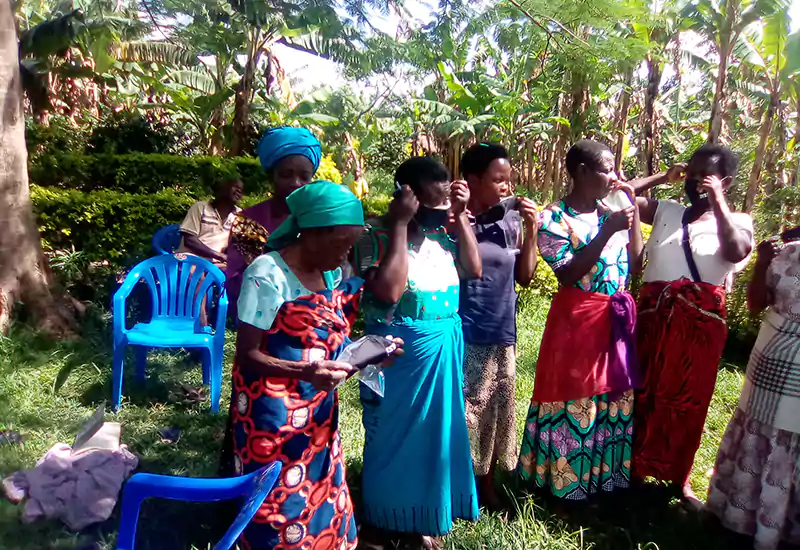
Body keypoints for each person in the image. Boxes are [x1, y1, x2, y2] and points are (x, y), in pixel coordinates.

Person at [229, 180, 390, 550]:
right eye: (341, 244)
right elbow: (247, 355)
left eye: (351, 245)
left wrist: (372, 352)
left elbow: (327, 339)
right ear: (311, 233)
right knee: (276, 494)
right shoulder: (266, 274)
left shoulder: (329, 273)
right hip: (271, 415)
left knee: (319, 482)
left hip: (317, 410)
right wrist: (305, 372)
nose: (345, 254)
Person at [352, 156, 482, 549]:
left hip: (440, 351)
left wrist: (460, 217)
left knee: (433, 436)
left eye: (444, 203)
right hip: (392, 356)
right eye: (431, 204)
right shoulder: (373, 235)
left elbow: (473, 269)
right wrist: (399, 225)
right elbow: (389, 292)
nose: (438, 212)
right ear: (405, 196)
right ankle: (381, 521)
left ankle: (421, 516)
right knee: (389, 437)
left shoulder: (442, 234)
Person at [517, 139, 643, 501]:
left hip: (614, 323)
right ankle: (565, 486)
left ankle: (602, 479)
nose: (614, 176)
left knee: (610, 399)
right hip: (578, 323)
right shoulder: (553, 219)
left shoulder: (611, 211)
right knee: (575, 398)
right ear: (583, 172)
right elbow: (569, 274)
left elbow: (636, 264)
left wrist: (631, 212)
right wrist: (608, 230)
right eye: (606, 169)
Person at [629, 143, 753, 502]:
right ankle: (634, 468)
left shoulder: (738, 222)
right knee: (643, 391)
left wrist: (717, 201)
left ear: (725, 181)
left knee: (688, 399)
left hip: (698, 328)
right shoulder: (667, 211)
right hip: (654, 319)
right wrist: (662, 176)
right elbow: (619, 194)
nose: (696, 182)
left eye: (706, 176)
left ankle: (677, 477)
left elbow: (736, 252)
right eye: (692, 174)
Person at [706, 230, 800, 550]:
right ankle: (738, 516)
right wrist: (761, 263)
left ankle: (782, 528)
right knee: (757, 431)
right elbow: (755, 305)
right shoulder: (787, 252)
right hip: (769, 359)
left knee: (792, 435)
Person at [458, 143, 538, 509]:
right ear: (473, 180)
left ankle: (485, 485)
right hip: (466, 331)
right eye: (498, 179)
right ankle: (458, 486)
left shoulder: (510, 221)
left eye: (509, 179)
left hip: (503, 331)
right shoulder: (455, 222)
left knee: (496, 412)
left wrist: (532, 229)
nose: (507, 186)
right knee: (466, 412)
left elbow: (525, 276)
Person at [226, 126, 322, 319]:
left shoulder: (319, 220)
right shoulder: (248, 221)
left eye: (304, 177)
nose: (296, 183)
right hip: (260, 317)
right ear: (272, 176)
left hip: (313, 315)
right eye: (286, 174)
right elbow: (236, 282)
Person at [177, 178, 243, 269]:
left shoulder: (239, 215)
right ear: (221, 189)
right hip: (192, 259)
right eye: (235, 187)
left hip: (216, 264)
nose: (239, 191)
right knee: (197, 274)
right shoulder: (200, 208)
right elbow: (189, 241)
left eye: (241, 190)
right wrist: (219, 256)